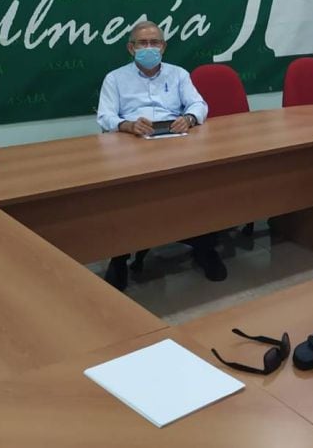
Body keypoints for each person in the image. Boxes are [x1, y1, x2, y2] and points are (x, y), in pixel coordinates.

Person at [96, 20, 225, 289]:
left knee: (203, 184)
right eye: (142, 43)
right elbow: (105, 115)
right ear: (130, 48)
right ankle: (119, 256)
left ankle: (205, 246)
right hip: (133, 144)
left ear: (164, 47)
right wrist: (127, 125)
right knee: (126, 197)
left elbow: (199, 104)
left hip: (175, 141)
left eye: (154, 42)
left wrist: (189, 118)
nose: (149, 48)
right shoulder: (115, 78)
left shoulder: (179, 74)